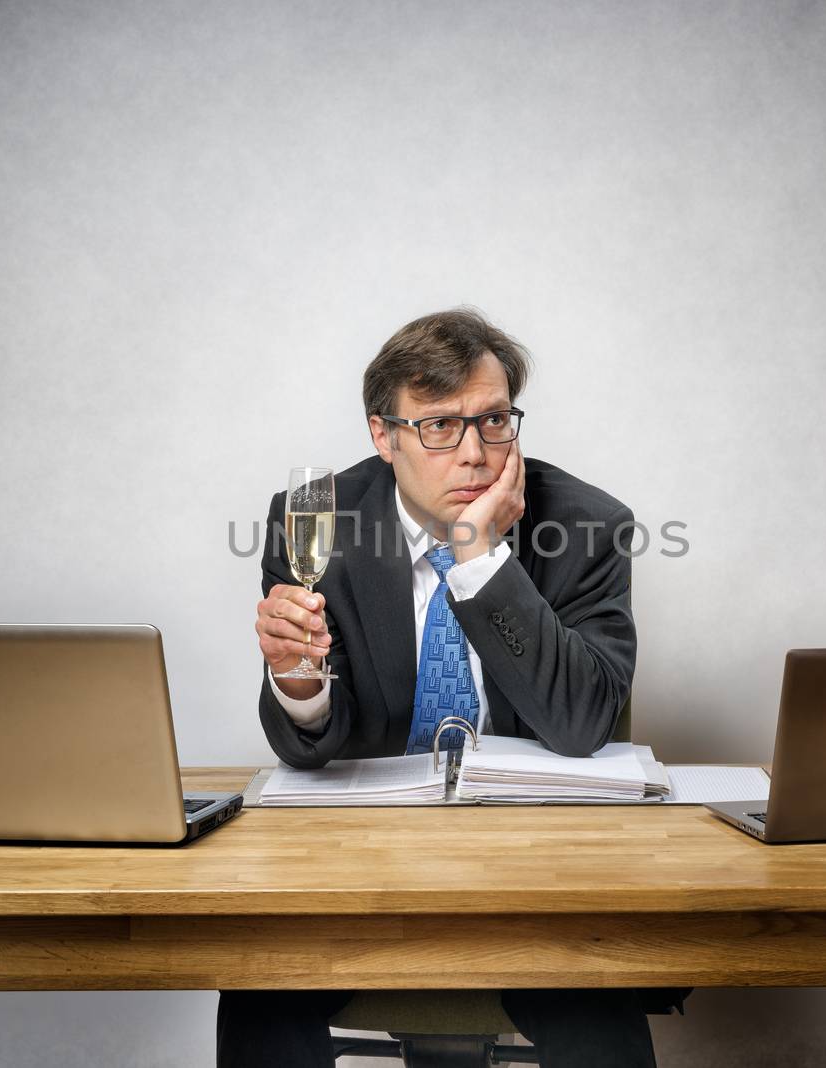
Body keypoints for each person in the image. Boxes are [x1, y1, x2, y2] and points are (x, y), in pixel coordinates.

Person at [218, 308, 659, 1068]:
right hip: (360, 872)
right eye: (439, 428)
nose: (476, 454)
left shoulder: (586, 526)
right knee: (257, 979)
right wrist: (299, 680)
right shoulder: (313, 519)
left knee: (600, 997)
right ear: (382, 435)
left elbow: (584, 721)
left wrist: (481, 558)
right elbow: (312, 747)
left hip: (541, 874)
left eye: (494, 422)